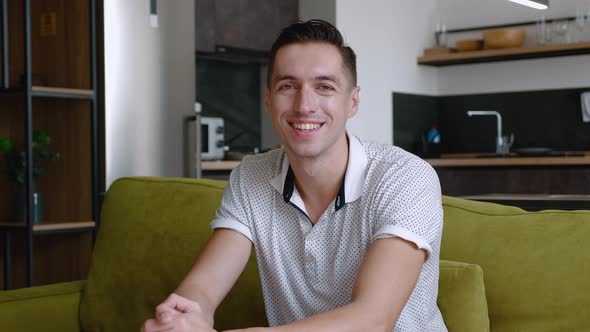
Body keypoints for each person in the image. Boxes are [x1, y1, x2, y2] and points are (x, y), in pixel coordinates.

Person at [142, 19, 447, 332]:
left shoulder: (405, 177)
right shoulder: (252, 176)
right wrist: (185, 314)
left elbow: (372, 319)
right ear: (268, 100)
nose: (304, 105)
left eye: (324, 87)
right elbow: (204, 288)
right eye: (288, 86)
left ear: (352, 102)